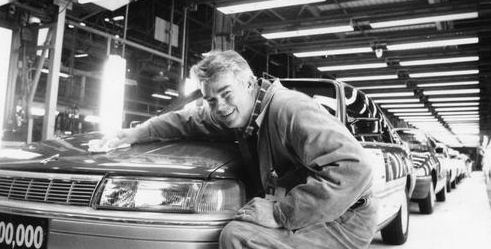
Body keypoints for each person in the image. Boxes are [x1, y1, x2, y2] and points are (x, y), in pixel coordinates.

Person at [96, 50, 377, 249]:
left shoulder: (289, 109)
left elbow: (354, 167)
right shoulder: (239, 113)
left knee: (237, 236)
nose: (219, 106)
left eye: (226, 93)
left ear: (248, 83)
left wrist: (282, 213)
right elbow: (187, 120)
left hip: (344, 220)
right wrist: (134, 133)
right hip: (318, 215)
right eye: (211, 99)